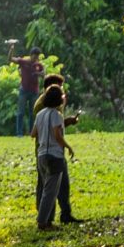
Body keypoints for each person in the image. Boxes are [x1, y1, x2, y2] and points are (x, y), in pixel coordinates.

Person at [32, 84, 78, 229]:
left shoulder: (40, 114)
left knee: (46, 188)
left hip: (41, 155)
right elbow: (57, 135)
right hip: (54, 155)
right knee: (50, 191)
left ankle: (45, 219)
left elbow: (33, 133)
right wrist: (68, 147)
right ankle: (43, 221)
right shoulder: (56, 115)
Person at [10, 45, 43, 138]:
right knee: (21, 112)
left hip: (34, 91)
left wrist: (39, 73)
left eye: (37, 57)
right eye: (34, 56)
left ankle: (31, 132)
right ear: (31, 55)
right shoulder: (23, 61)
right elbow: (10, 59)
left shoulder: (39, 65)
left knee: (33, 113)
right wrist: (11, 49)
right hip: (23, 90)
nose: (36, 58)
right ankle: (19, 133)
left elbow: (44, 74)